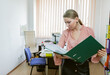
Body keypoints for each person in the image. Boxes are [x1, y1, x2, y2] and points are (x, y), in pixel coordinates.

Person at [54, 9, 106, 75]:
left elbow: (92, 50)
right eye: (65, 23)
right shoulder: (65, 32)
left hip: (83, 66)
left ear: (76, 19)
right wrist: (58, 53)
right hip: (68, 66)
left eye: (69, 22)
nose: (67, 25)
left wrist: (99, 54)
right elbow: (59, 48)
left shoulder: (89, 31)